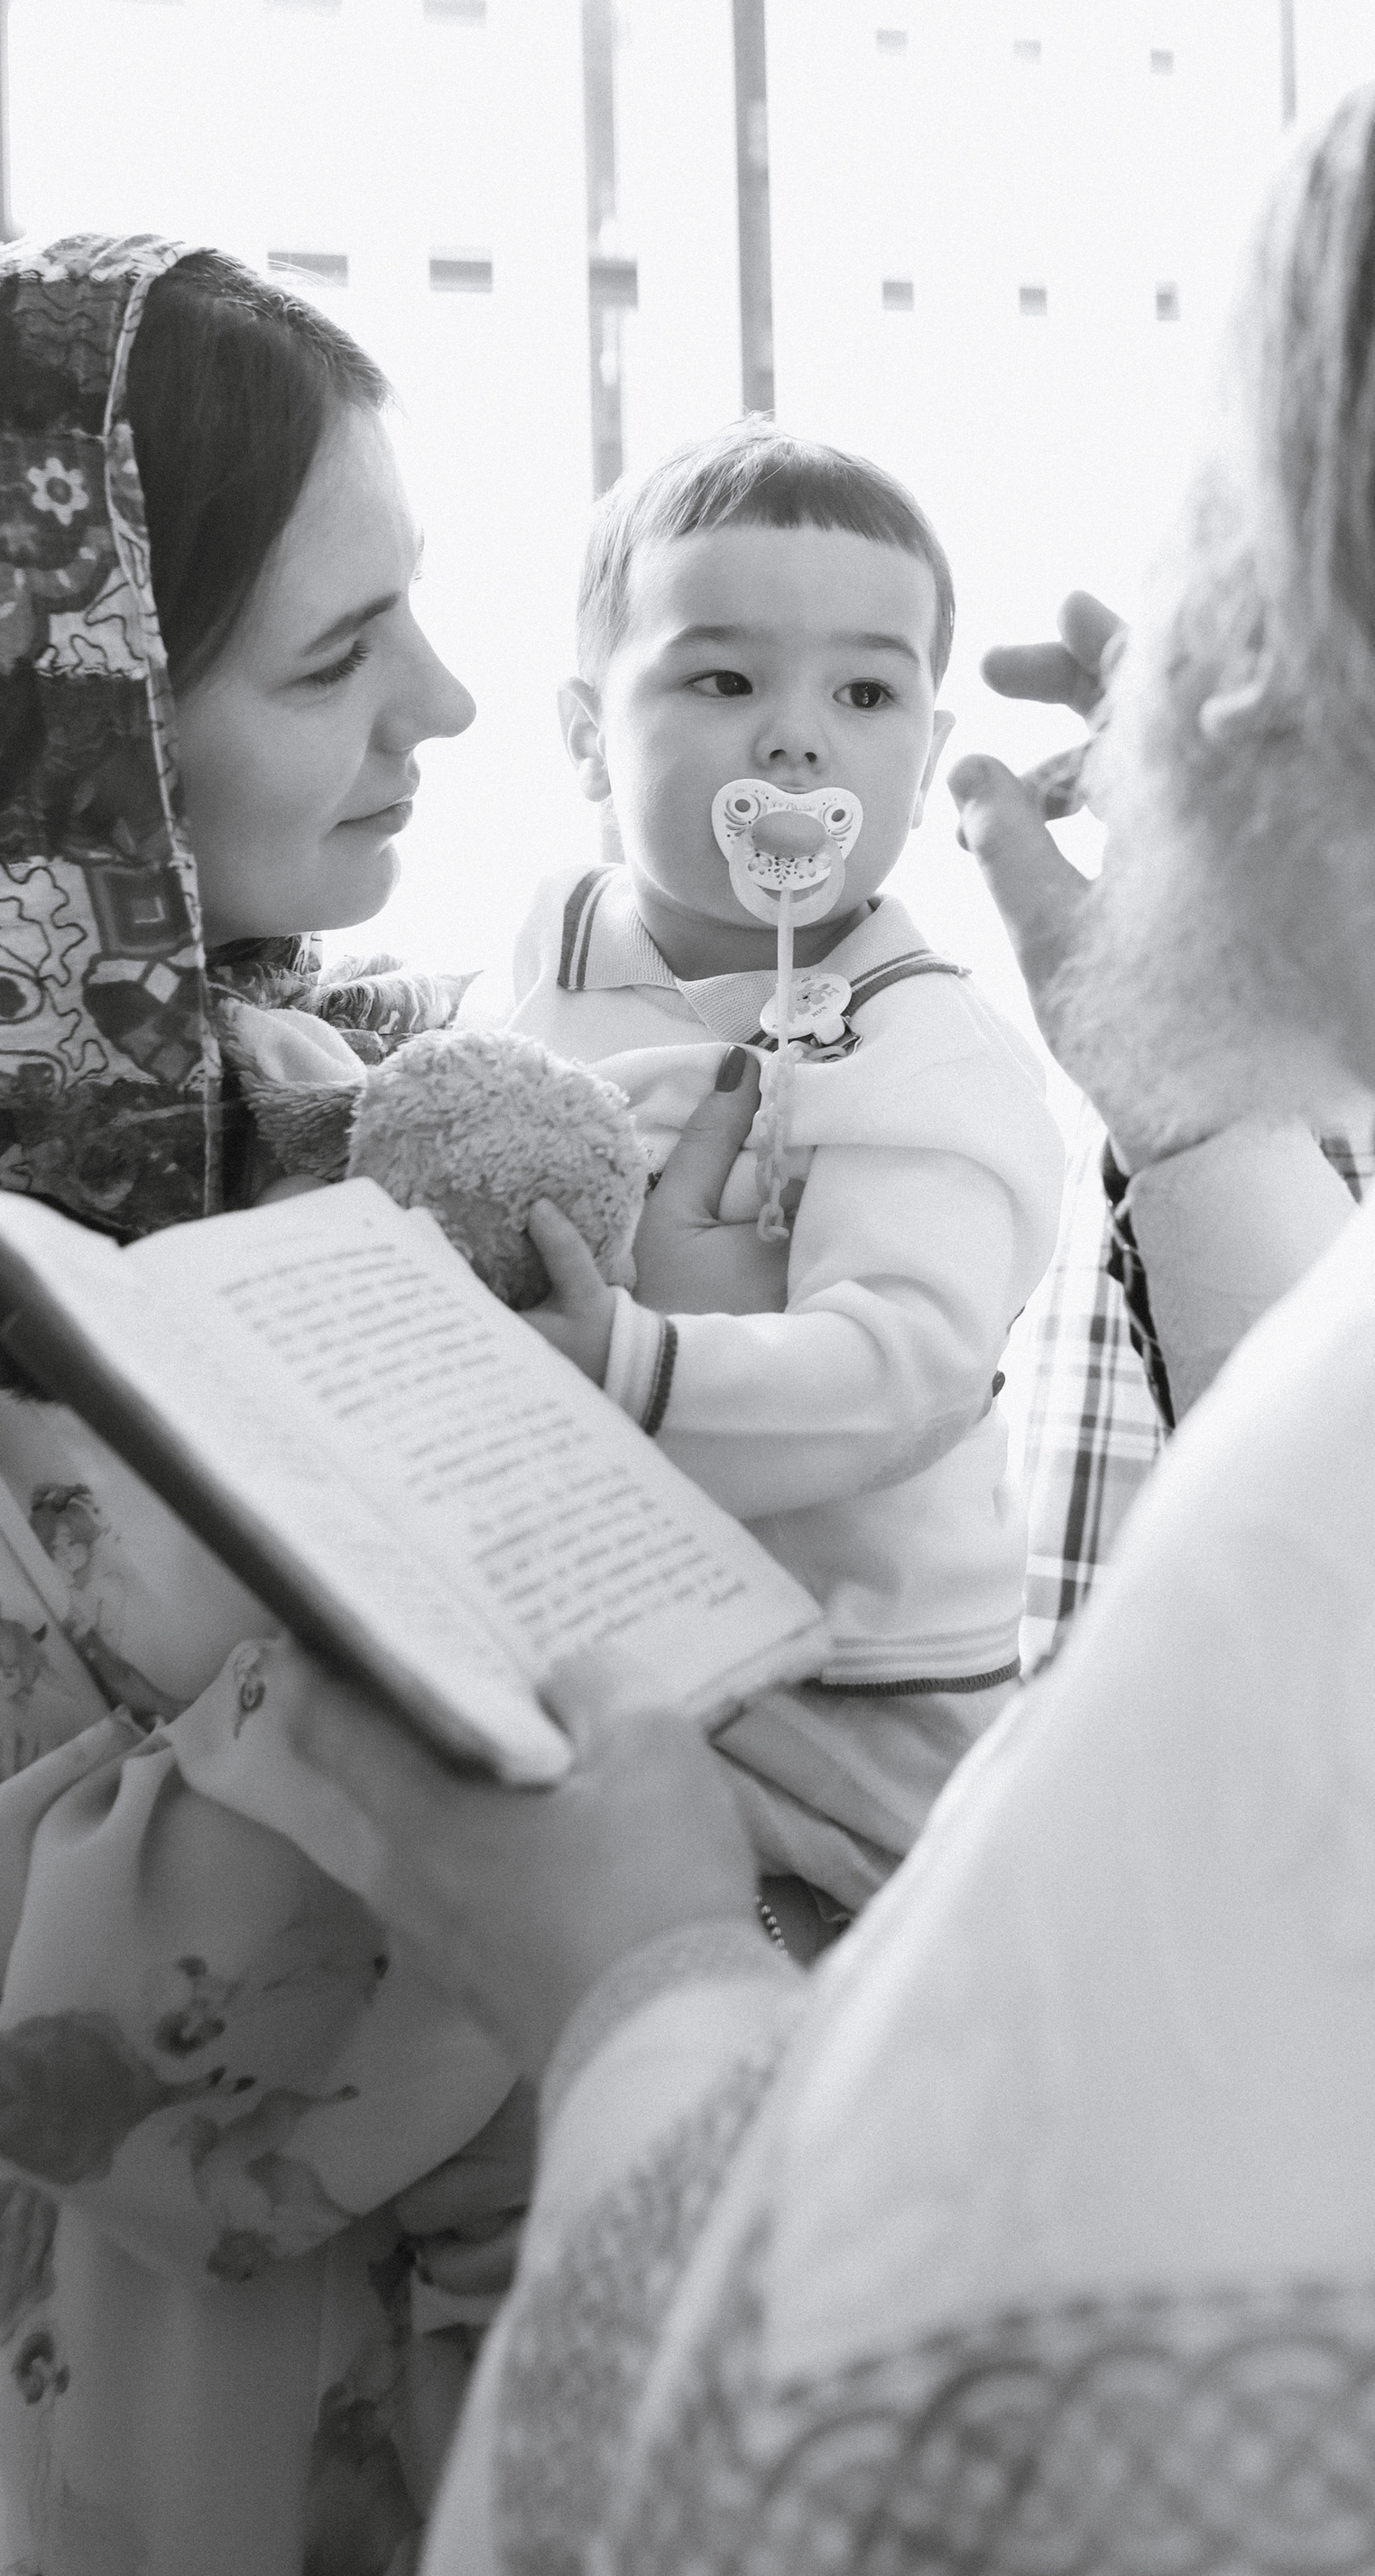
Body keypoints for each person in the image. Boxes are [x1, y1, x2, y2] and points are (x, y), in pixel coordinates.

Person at [250, 28, 1375, 2575]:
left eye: (1211, 538)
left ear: (1329, 632)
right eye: (721, 676)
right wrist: (1191, 1081)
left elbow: (807, 2426)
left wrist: (630, 1976)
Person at [0, 233, 743, 2576]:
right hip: (244, 2444)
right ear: (87, 732)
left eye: (420, 617)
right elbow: (60, 2018)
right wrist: (531, 1508)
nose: (453, 708)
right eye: (336, 657)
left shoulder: (331, 1087)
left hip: (681, 2286)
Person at [500, 427, 1065, 1920]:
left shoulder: (913, 1043)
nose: (797, 740)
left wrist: (636, 1362)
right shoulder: (543, 956)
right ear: (583, 740)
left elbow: (909, 1366)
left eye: (865, 693)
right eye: (725, 680)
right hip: (606, 1646)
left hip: (857, 1685)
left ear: (926, 754)